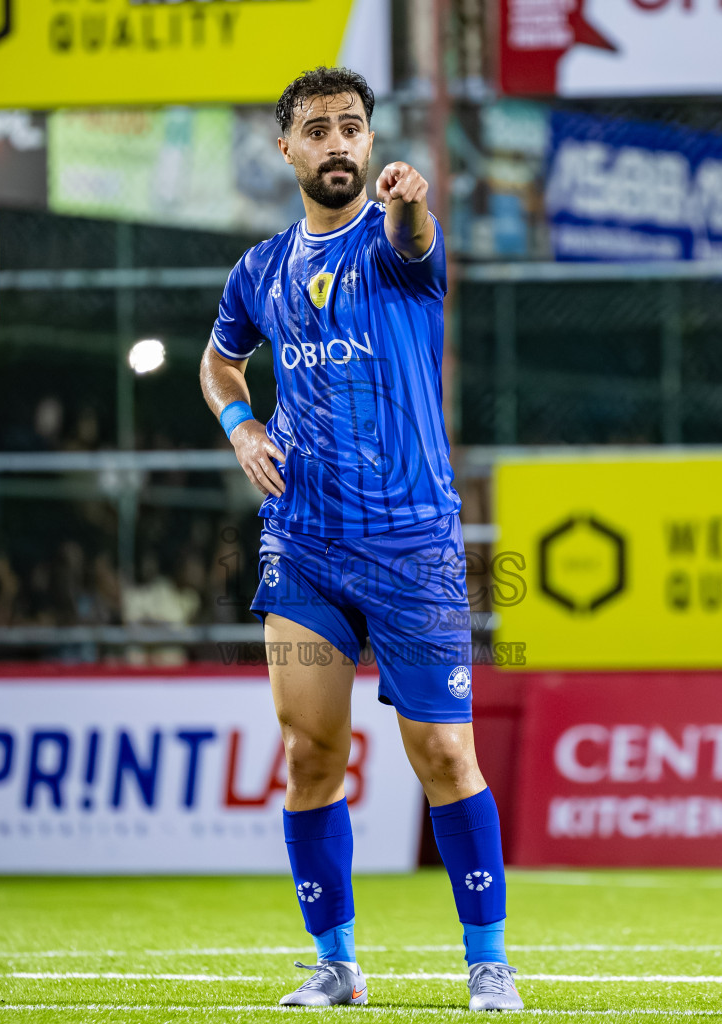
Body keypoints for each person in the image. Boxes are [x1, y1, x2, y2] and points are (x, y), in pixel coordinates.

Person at [197, 66, 523, 1012]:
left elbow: (417, 237)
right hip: (302, 545)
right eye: (319, 129)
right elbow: (220, 363)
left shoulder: (399, 246)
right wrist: (242, 427)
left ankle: (488, 961)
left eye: (353, 128)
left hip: (414, 545)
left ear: (372, 147)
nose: (339, 143)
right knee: (308, 754)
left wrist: (413, 206)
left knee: (444, 755)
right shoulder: (258, 272)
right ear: (287, 150)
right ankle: (336, 963)